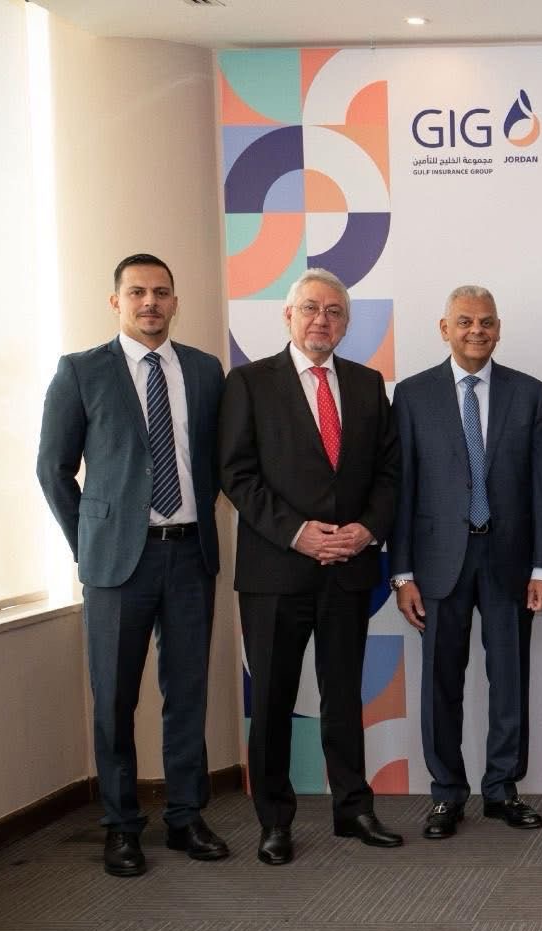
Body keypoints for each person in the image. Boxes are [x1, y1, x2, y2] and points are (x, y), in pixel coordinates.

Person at [38, 253, 228, 876]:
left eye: (162, 292)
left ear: (175, 302)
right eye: (138, 292)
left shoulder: (204, 370)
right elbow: (53, 469)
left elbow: (215, 461)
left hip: (190, 554)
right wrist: (89, 541)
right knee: (114, 698)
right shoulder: (81, 371)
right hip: (118, 564)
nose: (151, 302)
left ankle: (185, 817)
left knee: (187, 693)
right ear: (116, 301)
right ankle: (121, 826)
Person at [219, 267, 403, 864]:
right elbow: (237, 474)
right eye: (310, 309)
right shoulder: (249, 382)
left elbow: (389, 472)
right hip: (276, 573)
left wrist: (367, 529)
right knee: (273, 699)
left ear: (346, 322)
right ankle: (275, 820)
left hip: (348, 569)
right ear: (288, 316)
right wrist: (297, 534)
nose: (322, 320)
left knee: (344, 696)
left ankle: (353, 808)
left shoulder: (368, 385)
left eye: (334, 311)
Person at [390, 285, 542, 839]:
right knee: (441, 682)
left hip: (509, 560)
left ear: (498, 329)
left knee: (509, 679)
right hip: (438, 563)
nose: (476, 331)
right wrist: (402, 572)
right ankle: (446, 793)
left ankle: (503, 789)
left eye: (486, 322)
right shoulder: (412, 395)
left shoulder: (529, 393)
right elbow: (403, 490)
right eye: (464, 321)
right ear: (445, 329)